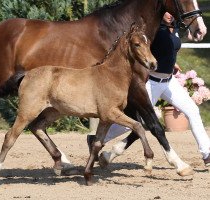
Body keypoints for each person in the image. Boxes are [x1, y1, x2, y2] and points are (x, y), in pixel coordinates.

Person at [87, 12, 210, 167]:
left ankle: (207, 153)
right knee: (130, 123)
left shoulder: (174, 27)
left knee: (192, 110)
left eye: (171, 13)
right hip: (151, 81)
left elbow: (171, 48)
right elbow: (142, 50)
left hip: (169, 81)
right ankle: (96, 140)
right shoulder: (155, 29)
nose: (170, 16)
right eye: (166, 13)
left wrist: (172, 63)